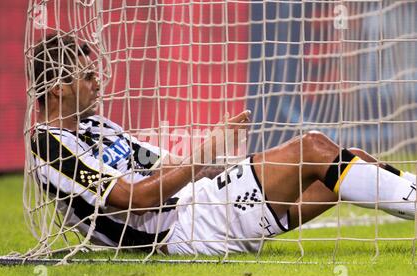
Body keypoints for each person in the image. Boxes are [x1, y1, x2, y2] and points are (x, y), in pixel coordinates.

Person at [30, 34, 416, 256]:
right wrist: (205, 153)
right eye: (87, 76)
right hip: (182, 228)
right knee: (313, 149)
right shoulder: (48, 146)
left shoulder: (96, 125)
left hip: (198, 202)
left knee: (351, 164)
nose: (98, 82)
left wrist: (221, 165)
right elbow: (136, 198)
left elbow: (152, 159)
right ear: (59, 88)